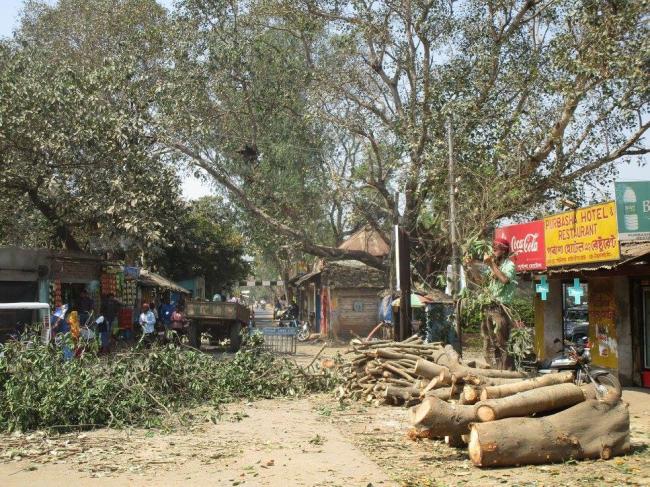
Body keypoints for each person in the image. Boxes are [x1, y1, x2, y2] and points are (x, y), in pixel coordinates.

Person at [465, 236, 517, 370]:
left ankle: (508, 371)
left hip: (501, 309)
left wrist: (491, 264)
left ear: (504, 251)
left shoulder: (509, 265)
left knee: (502, 341)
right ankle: (497, 370)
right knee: (491, 341)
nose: (493, 249)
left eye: (497, 248)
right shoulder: (493, 266)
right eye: (493, 247)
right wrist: (472, 267)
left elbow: (504, 280)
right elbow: (482, 283)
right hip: (489, 307)